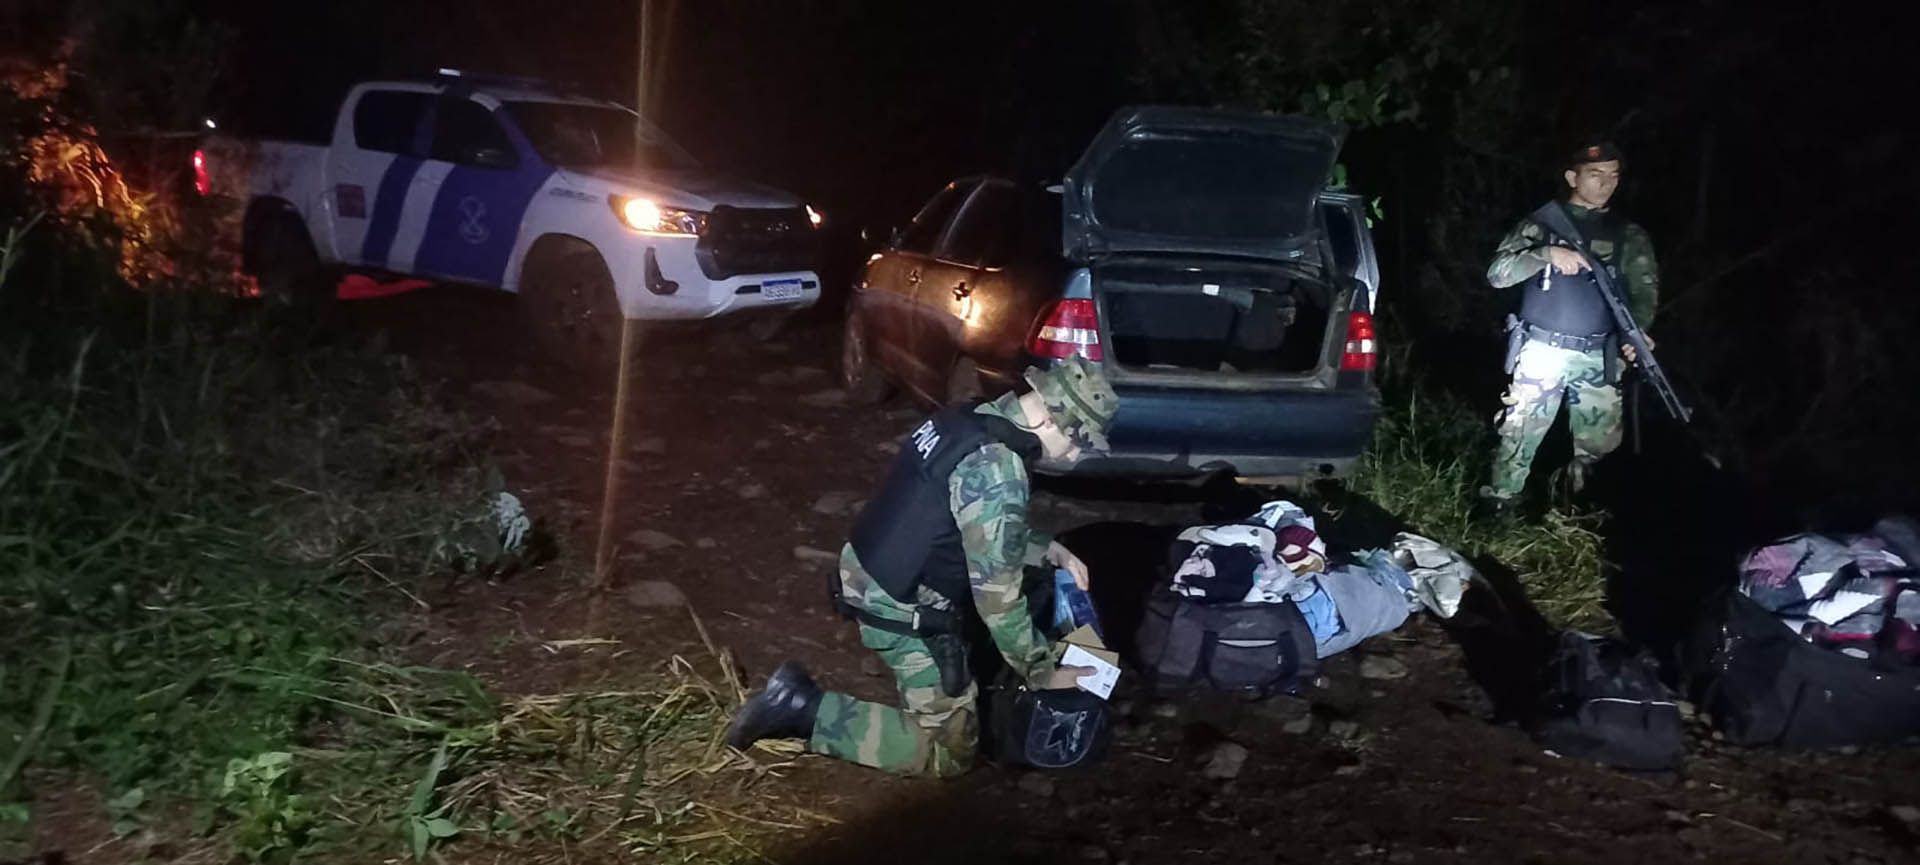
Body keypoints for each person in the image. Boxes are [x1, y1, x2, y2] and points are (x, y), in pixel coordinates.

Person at [725, 356, 1120, 777]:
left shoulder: (968, 419)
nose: (1075, 455)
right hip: (898, 607)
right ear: (1048, 420)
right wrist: (1043, 673)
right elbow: (998, 602)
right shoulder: (998, 471)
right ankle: (802, 709)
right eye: (1078, 441)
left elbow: (962, 518)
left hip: (869, 568)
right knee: (947, 754)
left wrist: (1045, 548)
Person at [1480, 140, 1660, 517]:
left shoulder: (1629, 236)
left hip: (1599, 354)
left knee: (1598, 448)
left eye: (1613, 175)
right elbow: (1497, 275)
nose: (1606, 184)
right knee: (1518, 434)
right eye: (1595, 175)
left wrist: (1637, 332)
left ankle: (1579, 518)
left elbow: (1644, 294)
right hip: (1542, 350)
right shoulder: (1542, 224)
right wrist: (1545, 254)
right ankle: (1499, 509)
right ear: (1572, 177)